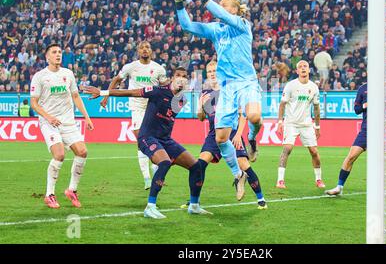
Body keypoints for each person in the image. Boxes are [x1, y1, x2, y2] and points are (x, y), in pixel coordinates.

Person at [172, 0, 264, 197]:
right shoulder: (216, 30)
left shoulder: (243, 25)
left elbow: (219, 13)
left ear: (235, 10)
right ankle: (238, 174)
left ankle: (251, 138)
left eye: (224, 5)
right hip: (228, 88)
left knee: (253, 117)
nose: (220, 8)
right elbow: (186, 26)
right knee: (221, 138)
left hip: (246, 82)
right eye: (220, 5)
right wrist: (178, 2)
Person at [84, 67, 211, 219]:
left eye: (184, 76)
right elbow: (130, 93)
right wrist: (103, 93)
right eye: (178, 75)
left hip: (165, 140)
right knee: (164, 162)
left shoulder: (182, 99)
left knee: (196, 166)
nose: (181, 78)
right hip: (148, 137)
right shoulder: (157, 91)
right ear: (172, 78)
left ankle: (194, 206)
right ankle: (150, 207)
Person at [188, 61, 267, 208]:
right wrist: (200, 106)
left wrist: (238, 135)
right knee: (200, 164)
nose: (212, 73)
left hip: (232, 132)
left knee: (244, 164)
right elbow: (201, 118)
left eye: (214, 70)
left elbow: (243, 114)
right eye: (209, 71)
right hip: (213, 134)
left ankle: (260, 199)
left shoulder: (230, 89)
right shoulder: (205, 93)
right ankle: (194, 200)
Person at [325, 83, 386, 201]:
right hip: (367, 130)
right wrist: (365, 105)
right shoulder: (362, 88)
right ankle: (339, 187)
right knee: (351, 157)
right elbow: (356, 110)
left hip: (384, 130)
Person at [30, 44, 94, 209]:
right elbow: (34, 103)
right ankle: (49, 194)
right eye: (54, 52)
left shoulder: (68, 74)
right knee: (59, 155)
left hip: (68, 122)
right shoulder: (40, 76)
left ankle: (72, 190)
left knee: (82, 152)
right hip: (49, 123)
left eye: (59, 52)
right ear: (47, 57)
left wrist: (87, 118)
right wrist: (49, 117)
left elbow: (75, 96)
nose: (58, 55)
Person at [101, 41, 166, 190]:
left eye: (147, 47)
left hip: (153, 108)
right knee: (141, 140)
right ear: (138, 51)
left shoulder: (158, 69)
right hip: (137, 108)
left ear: (151, 51)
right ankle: (147, 178)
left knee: (155, 140)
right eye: (142, 47)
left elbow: (164, 88)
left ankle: (155, 169)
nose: (145, 49)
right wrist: (106, 96)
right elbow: (116, 80)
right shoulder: (130, 67)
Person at [276, 61, 325, 189]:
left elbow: (316, 108)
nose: (303, 68)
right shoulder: (291, 86)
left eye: (305, 67)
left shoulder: (313, 87)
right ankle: (280, 180)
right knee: (287, 149)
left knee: (314, 151)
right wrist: (280, 122)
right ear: (297, 71)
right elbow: (282, 104)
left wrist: (317, 126)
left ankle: (319, 179)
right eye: (300, 67)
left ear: (309, 70)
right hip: (291, 123)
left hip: (306, 124)